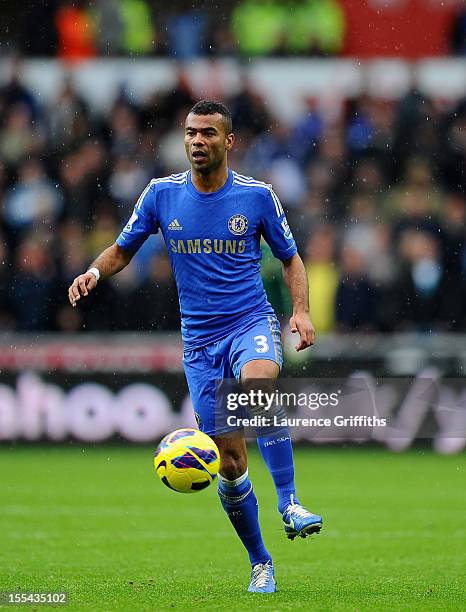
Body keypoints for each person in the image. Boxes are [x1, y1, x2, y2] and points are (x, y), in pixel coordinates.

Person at [68, 100, 323, 594]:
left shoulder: (257, 196)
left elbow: (291, 259)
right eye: (190, 133)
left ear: (229, 142)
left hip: (250, 321)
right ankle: (261, 561)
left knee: (257, 388)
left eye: (208, 133)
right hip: (200, 341)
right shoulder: (162, 195)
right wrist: (94, 272)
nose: (197, 141)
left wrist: (301, 310)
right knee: (229, 461)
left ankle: (289, 502)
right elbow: (123, 249)